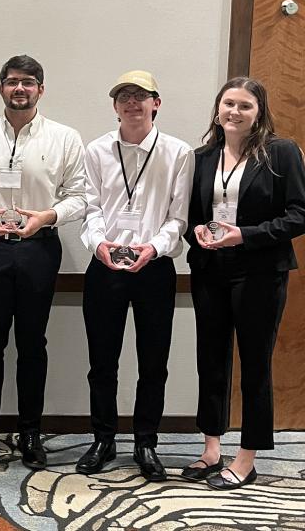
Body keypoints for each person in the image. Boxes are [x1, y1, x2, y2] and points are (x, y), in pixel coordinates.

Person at [0, 55, 85, 468]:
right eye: (12, 82)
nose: (19, 89)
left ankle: (30, 431)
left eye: (28, 82)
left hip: (39, 248)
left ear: (41, 89)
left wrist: (46, 217)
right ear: (1, 88)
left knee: (32, 344)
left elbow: (80, 196)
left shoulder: (65, 138)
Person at [182, 77, 305, 489]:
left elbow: (299, 214)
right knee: (210, 359)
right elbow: (192, 214)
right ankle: (211, 448)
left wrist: (244, 235)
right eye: (228, 103)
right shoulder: (201, 157)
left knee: (254, 364)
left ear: (259, 112)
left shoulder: (280, 153)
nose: (234, 112)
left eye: (245, 106)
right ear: (218, 108)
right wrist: (197, 234)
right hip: (210, 269)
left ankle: (247, 456)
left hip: (259, 270)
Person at [77, 70, 194, 481]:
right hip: (105, 266)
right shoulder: (96, 150)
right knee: (101, 362)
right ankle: (103, 438)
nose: (132, 103)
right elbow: (91, 208)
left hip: (154, 268)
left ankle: (146, 441)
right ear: (114, 106)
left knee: (153, 363)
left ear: (156, 103)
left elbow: (178, 218)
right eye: (124, 96)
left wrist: (153, 248)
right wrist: (99, 245)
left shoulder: (178, 152)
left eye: (140, 96)